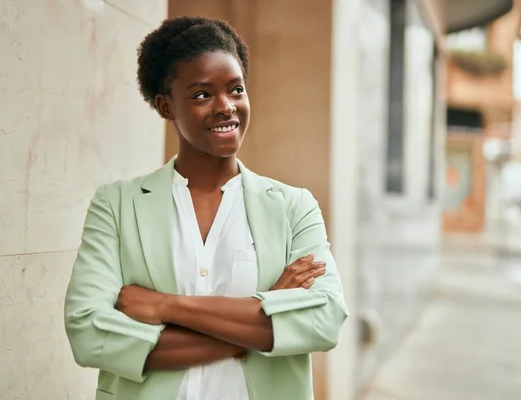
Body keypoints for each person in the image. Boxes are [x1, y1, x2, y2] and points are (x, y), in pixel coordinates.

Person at [64, 16, 348, 400]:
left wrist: (166, 306)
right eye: (202, 95)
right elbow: (89, 333)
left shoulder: (293, 207)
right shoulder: (116, 206)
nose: (225, 107)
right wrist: (264, 319)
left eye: (236, 89)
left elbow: (323, 320)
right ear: (166, 107)